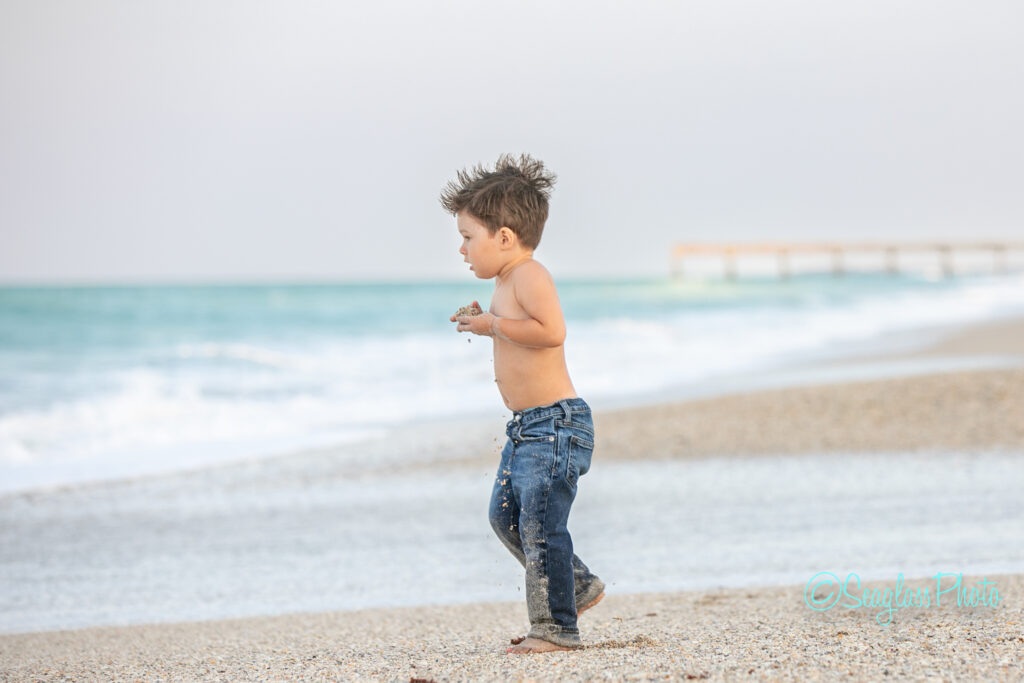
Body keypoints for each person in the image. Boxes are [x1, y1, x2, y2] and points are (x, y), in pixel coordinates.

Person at [440, 153, 604, 654]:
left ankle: (556, 629)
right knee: (506, 518)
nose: (462, 248)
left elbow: (551, 332)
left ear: (505, 237)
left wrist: (492, 325)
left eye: (469, 237)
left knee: (539, 524)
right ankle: (573, 586)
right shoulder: (503, 284)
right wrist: (483, 319)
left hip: (556, 425)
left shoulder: (531, 276)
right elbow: (515, 332)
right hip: (528, 428)